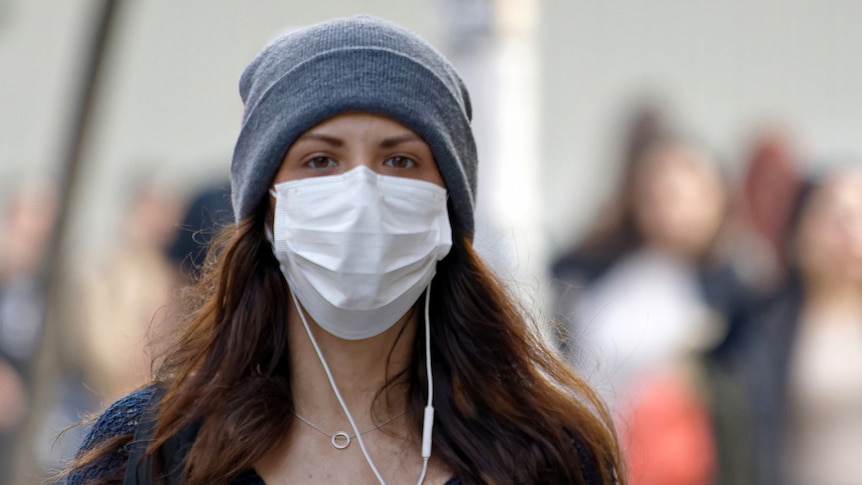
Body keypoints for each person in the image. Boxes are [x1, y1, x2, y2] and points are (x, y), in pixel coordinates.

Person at [67, 15, 622, 485]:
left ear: (446, 210)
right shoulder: (151, 451)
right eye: (321, 160)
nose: (361, 194)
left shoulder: (544, 456)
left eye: (400, 160)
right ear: (268, 208)